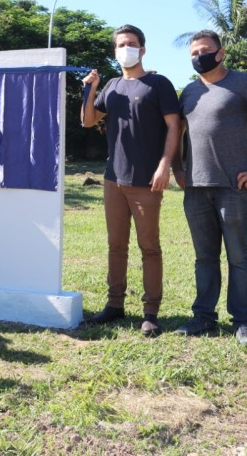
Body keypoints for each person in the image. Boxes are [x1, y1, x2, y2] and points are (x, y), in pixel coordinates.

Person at [173, 30, 247, 346]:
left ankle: (243, 323)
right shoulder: (188, 92)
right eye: (194, 51)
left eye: (206, 50)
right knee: (204, 257)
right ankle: (204, 319)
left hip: (233, 188)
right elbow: (175, 132)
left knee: (238, 257)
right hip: (196, 187)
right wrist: (177, 168)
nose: (200, 55)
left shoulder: (242, 83)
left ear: (221, 53)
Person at [81, 24, 180, 336]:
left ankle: (150, 311)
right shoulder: (110, 86)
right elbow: (86, 121)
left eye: (132, 43)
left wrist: (165, 166)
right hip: (113, 180)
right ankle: (115, 305)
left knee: (149, 246)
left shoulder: (158, 84)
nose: (127, 48)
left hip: (146, 182)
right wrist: (90, 88)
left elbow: (175, 127)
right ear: (115, 51)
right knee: (115, 245)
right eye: (121, 44)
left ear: (143, 49)